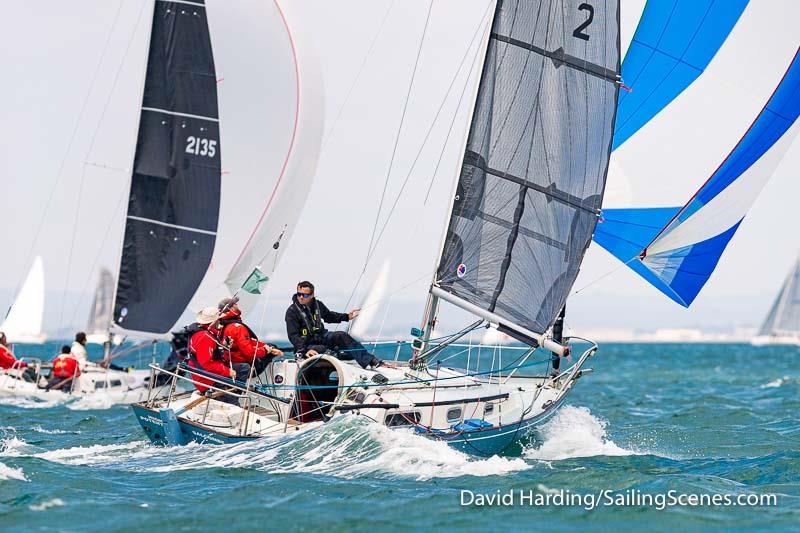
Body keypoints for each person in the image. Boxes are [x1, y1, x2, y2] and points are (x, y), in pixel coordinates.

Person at [285, 281, 393, 369]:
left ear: (312, 295)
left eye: (304, 295)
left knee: (341, 335)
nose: (301, 297)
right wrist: (305, 350)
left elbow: (328, 316)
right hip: (307, 344)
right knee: (323, 349)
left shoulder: (317, 304)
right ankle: (336, 354)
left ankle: (371, 361)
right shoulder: (292, 311)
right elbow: (293, 336)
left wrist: (346, 317)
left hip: (322, 337)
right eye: (299, 294)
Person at [186, 307, 250, 405]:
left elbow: (209, 351)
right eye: (218, 319)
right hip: (207, 380)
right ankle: (231, 400)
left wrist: (224, 344)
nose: (220, 321)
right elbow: (206, 364)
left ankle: (232, 395)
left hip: (207, 375)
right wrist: (227, 371)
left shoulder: (204, 332)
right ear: (214, 321)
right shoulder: (205, 337)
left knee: (244, 368)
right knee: (233, 405)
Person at [217, 297, 282, 376]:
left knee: (270, 346)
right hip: (244, 367)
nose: (237, 305)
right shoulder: (238, 328)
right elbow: (249, 352)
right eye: (235, 304)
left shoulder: (223, 327)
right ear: (231, 309)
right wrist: (266, 350)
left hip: (231, 364)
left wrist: (266, 347)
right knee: (271, 348)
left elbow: (247, 342)